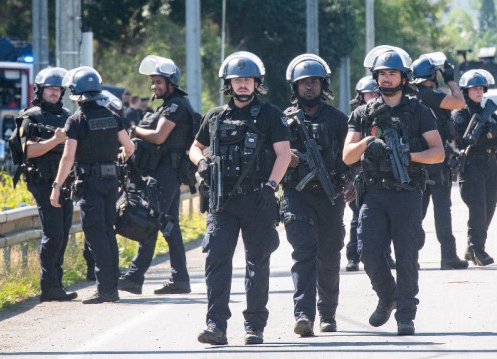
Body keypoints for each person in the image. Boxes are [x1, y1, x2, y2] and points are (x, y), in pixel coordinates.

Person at [342, 46, 444, 335]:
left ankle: (406, 314)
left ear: (403, 77)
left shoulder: (419, 111)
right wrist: (366, 144)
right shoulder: (362, 113)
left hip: (408, 192)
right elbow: (347, 156)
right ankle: (388, 297)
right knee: (368, 251)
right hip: (374, 193)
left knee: (407, 254)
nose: (387, 79)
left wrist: (410, 156)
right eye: (382, 74)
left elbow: (438, 153)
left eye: (392, 74)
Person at [191, 51, 291, 345]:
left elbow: (284, 154)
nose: (243, 85)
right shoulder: (215, 116)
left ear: (256, 83)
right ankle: (216, 325)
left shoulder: (271, 115)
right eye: (238, 80)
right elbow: (195, 147)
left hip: (258, 198)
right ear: (229, 84)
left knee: (257, 263)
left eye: (248, 80)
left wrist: (271, 186)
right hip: (222, 201)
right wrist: (201, 162)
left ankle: (254, 326)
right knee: (216, 261)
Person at [49, 66, 134, 304]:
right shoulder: (113, 116)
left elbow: (68, 157)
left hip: (91, 184)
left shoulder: (76, 120)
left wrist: (57, 186)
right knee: (108, 232)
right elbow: (129, 148)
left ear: (75, 93)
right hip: (111, 182)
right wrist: (115, 162)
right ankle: (111, 286)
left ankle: (106, 290)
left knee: (95, 235)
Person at [281, 54, 349, 337]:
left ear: (323, 85)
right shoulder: (283, 120)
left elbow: (352, 157)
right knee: (304, 252)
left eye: (314, 82)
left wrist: (352, 182)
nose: (309, 87)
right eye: (303, 82)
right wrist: (288, 156)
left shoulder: (337, 119)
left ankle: (328, 313)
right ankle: (303, 314)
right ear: (295, 87)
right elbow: (267, 155)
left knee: (329, 255)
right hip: (296, 194)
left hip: (330, 195)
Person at [118, 56, 196, 295]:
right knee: (169, 224)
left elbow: (159, 137)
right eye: (152, 82)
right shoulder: (166, 105)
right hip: (165, 172)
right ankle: (180, 279)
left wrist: (133, 130)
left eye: (158, 82)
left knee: (149, 218)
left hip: (168, 173)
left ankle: (134, 276)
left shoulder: (176, 106)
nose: (154, 86)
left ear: (171, 82)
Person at [19, 67, 77, 302]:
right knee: (53, 233)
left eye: (57, 89)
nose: (54, 93)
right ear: (40, 90)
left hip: (65, 181)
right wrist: (55, 140)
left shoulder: (66, 115)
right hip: (43, 181)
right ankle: (49, 286)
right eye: (50, 89)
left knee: (62, 232)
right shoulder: (30, 116)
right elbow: (28, 150)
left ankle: (57, 284)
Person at [411, 53, 468, 270]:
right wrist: (451, 80)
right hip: (435, 160)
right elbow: (460, 102)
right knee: (442, 209)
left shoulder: (412, 97)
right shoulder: (430, 95)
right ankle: (448, 256)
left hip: (417, 162)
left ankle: (410, 256)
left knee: (417, 210)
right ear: (432, 75)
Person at [452, 69, 497, 267]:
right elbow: (463, 141)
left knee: (490, 206)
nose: (478, 92)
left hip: (490, 164)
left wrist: (496, 129)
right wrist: (488, 136)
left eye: (480, 88)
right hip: (472, 165)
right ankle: (478, 248)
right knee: (478, 208)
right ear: (466, 91)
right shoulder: (461, 114)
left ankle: (473, 247)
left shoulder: (489, 112)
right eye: (473, 89)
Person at [345, 76, 396, 272]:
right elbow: (346, 155)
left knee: (386, 219)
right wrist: (348, 180)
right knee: (358, 219)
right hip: (357, 177)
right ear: (360, 97)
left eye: (376, 93)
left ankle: (386, 254)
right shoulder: (356, 119)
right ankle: (353, 256)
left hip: (380, 177)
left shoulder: (387, 119)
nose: (373, 97)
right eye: (369, 94)